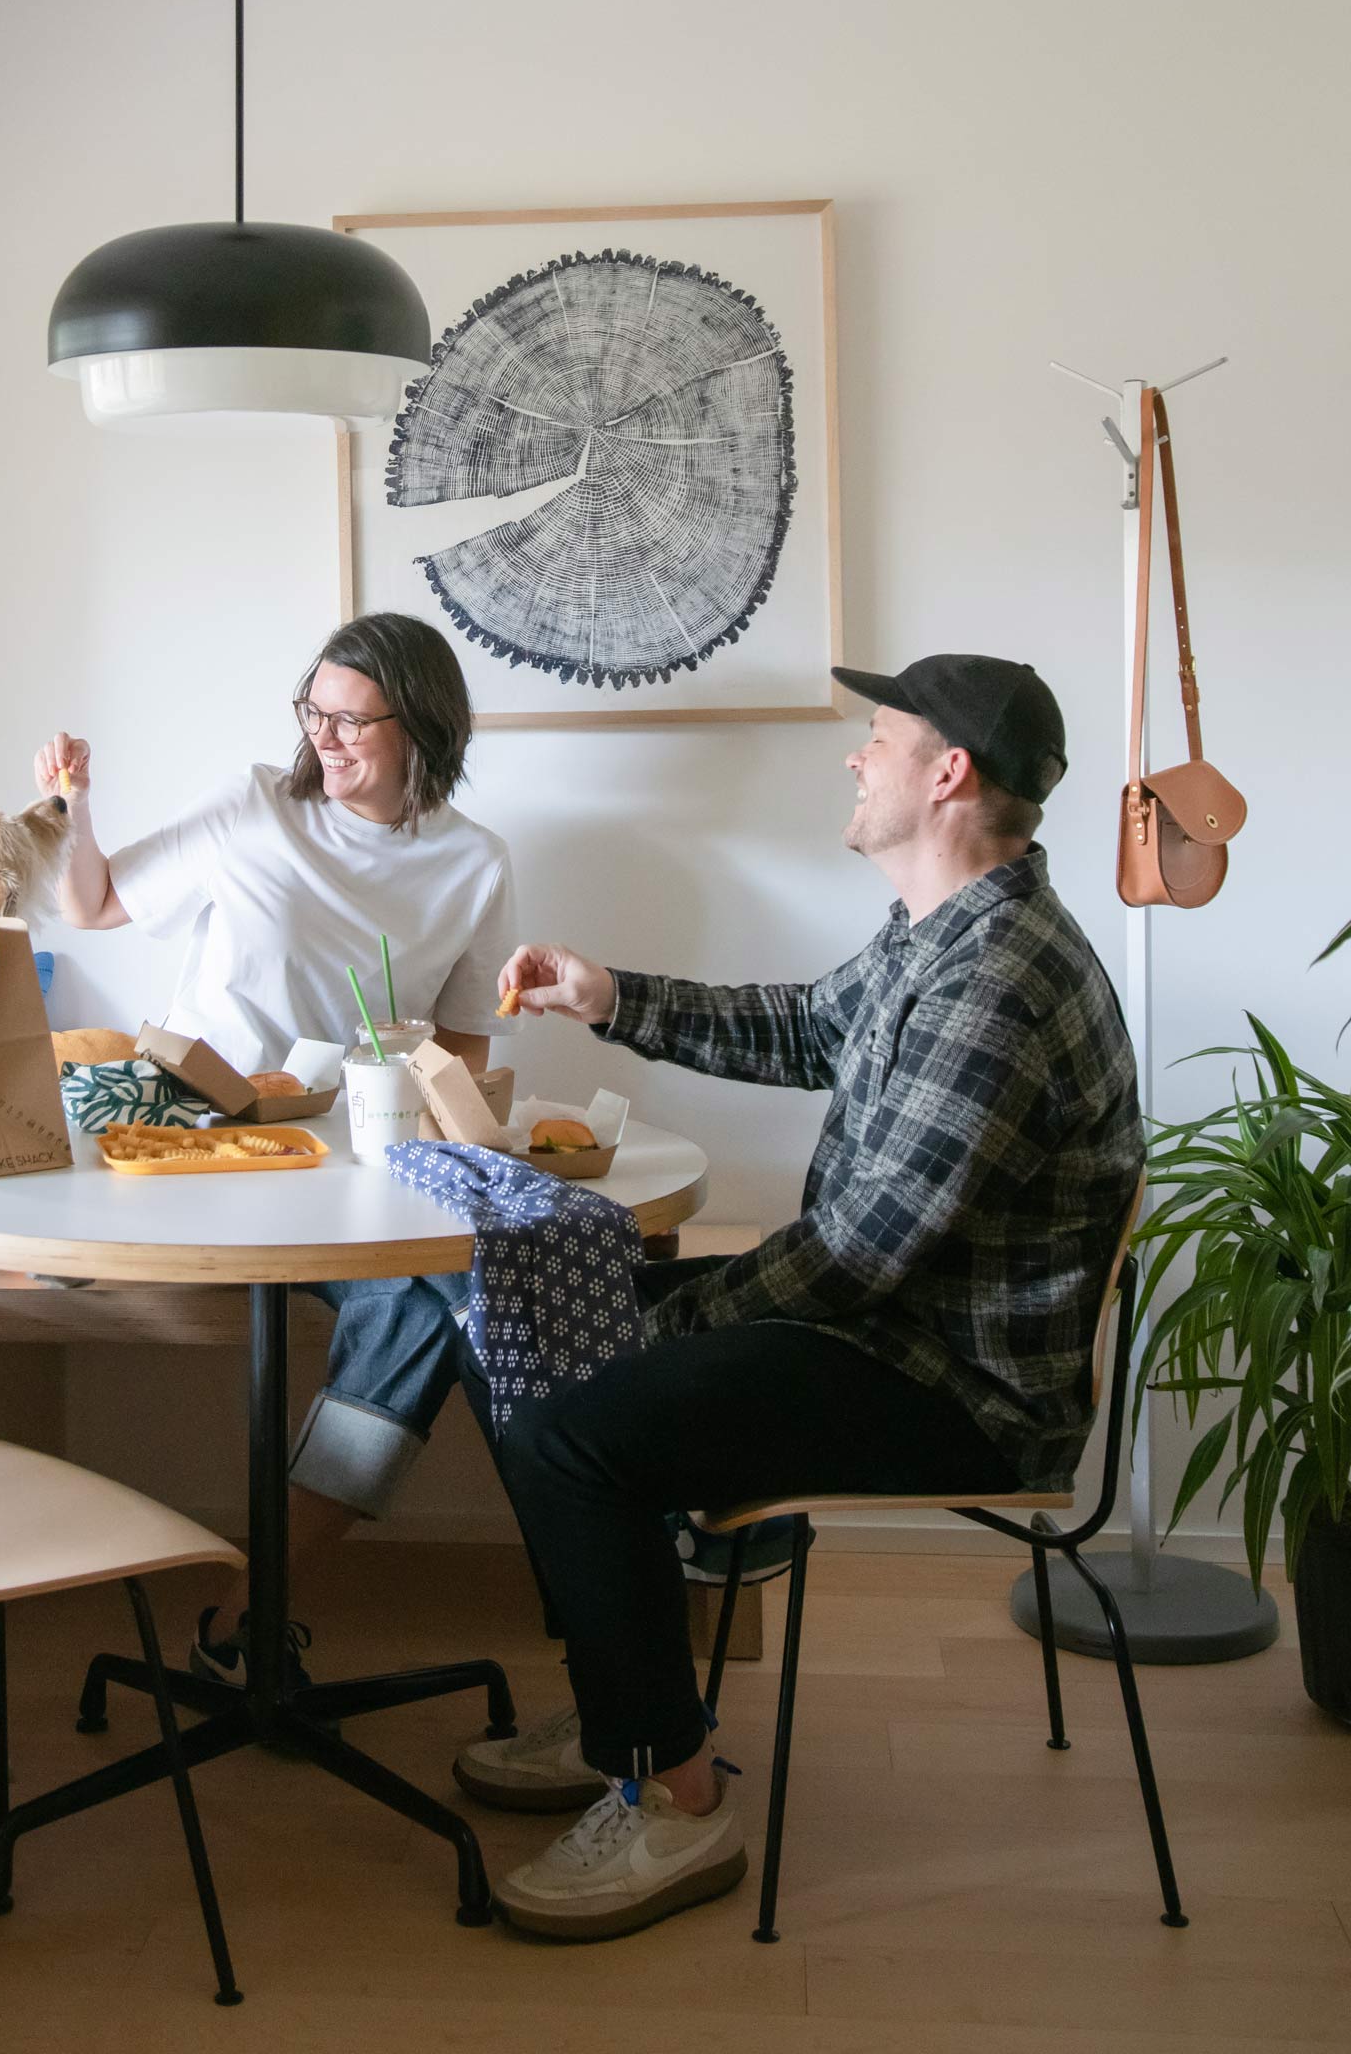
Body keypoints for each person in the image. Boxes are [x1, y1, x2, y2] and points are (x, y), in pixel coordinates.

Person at [458, 654, 1142, 1942]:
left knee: (576, 1418)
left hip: (954, 1384)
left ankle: (674, 1792)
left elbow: (863, 1252)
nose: (855, 755)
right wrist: (608, 996)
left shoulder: (1001, 978)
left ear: (948, 774)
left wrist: (663, 1324)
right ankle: (631, 1711)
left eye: (877, 736)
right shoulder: (940, 933)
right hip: (881, 1328)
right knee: (545, 1333)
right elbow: (802, 1028)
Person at [32, 611, 518, 1680]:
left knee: (451, 1294)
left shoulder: (474, 864)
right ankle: (610, 1544)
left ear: (423, 727)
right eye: (315, 714)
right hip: (208, 1155)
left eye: (354, 721)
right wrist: (74, 805)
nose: (326, 739)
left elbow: (465, 1056)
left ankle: (256, 1600)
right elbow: (95, 904)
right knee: (457, 1303)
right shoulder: (255, 809)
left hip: (361, 1173)